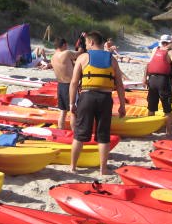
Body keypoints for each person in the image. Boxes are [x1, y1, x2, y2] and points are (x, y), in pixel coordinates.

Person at [69, 31, 126, 175]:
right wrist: (122, 106)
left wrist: (71, 104)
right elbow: (119, 84)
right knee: (103, 135)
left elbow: (74, 83)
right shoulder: (112, 59)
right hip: (105, 99)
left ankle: (73, 167)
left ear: (92, 43)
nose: (86, 46)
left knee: (79, 134)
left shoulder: (83, 57)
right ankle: (103, 169)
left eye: (87, 43)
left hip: (87, 97)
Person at [144, 34, 172, 135]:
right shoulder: (170, 52)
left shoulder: (155, 50)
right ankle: (168, 131)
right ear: (170, 43)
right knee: (167, 108)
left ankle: (149, 129)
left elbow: (148, 65)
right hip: (163, 81)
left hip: (152, 80)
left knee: (151, 107)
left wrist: (145, 78)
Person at [50, 37, 79, 130]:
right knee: (74, 112)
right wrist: (81, 44)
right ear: (63, 45)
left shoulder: (53, 57)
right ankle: (75, 134)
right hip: (69, 86)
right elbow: (79, 54)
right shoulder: (66, 53)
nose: (67, 47)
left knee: (63, 112)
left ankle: (61, 131)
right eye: (66, 45)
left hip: (60, 85)